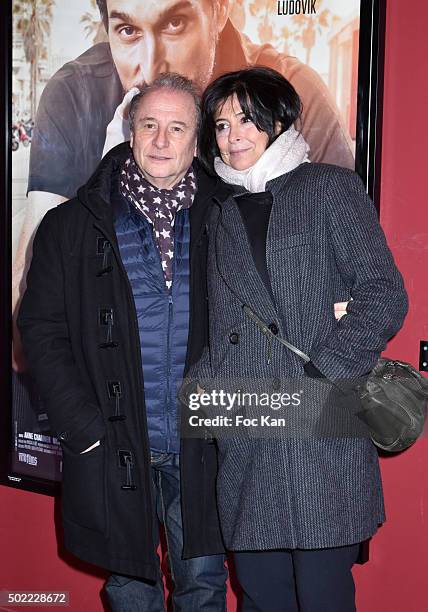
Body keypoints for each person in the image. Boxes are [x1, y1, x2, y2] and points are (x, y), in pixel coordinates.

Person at [184, 66, 409, 611]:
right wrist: (211, 406)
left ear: (280, 121)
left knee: (323, 592)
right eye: (219, 124)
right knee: (261, 593)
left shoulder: (329, 188)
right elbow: (216, 327)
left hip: (321, 425)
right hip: (249, 429)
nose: (232, 135)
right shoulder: (217, 213)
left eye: (247, 119)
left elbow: (384, 294)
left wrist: (324, 371)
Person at [12, 0, 355, 336]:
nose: (152, 66)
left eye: (174, 23)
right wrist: (111, 182)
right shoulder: (74, 92)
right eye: (128, 30)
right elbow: (31, 308)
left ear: (220, 10)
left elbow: (353, 286)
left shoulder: (294, 92)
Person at [17, 73, 229, 612]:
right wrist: (83, 428)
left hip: (203, 444)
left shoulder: (229, 217)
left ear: (196, 139)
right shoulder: (71, 224)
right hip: (113, 446)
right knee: (131, 591)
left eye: (176, 127)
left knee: (203, 586)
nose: (161, 140)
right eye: (150, 125)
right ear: (130, 133)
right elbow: (40, 330)